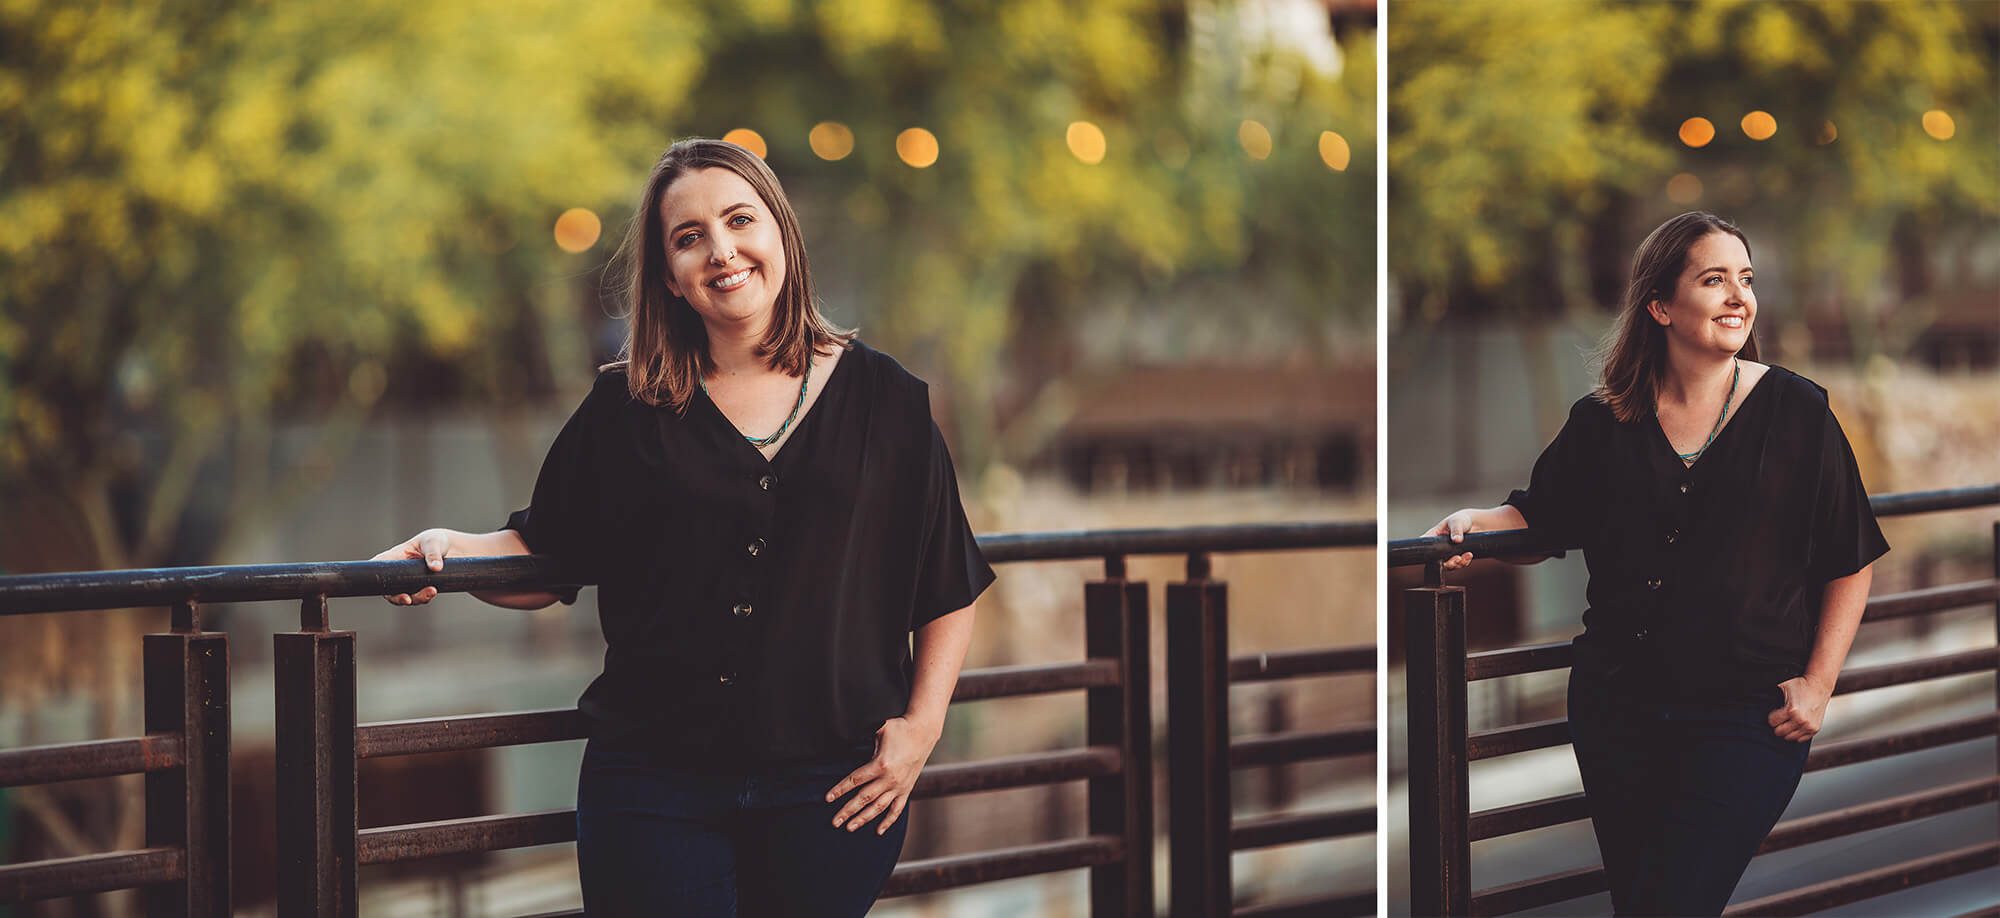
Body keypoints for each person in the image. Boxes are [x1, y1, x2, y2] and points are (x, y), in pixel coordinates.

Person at [371, 138, 993, 916]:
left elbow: (945, 582)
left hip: (831, 789)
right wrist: (447, 551)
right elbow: (544, 554)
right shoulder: (626, 409)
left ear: (782, 237)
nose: (721, 251)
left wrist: (921, 729)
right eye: (689, 237)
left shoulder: (888, 401)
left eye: (740, 221)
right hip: (653, 788)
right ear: (669, 275)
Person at [1423, 211, 1887, 916]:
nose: (1739, 296)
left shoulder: (1797, 413)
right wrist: (1477, 525)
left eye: (1746, 279)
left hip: (1747, 717)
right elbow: (1541, 519)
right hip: (1619, 712)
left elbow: (1849, 559)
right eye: (1714, 279)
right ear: (1661, 306)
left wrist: (1819, 685)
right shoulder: (1603, 422)